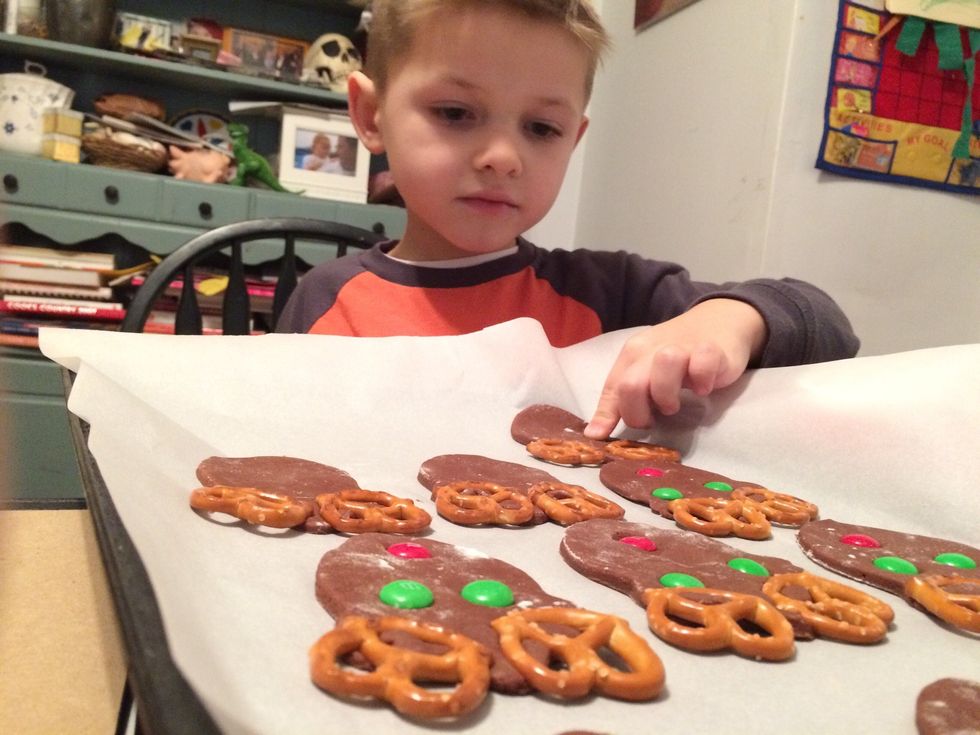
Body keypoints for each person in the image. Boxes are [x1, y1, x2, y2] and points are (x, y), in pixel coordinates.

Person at [278, 0, 859, 438]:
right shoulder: (326, 301)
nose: (504, 157)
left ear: (574, 138)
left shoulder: (612, 296)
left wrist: (729, 322)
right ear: (370, 114)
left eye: (541, 128)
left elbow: (827, 328)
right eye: (456, 113)